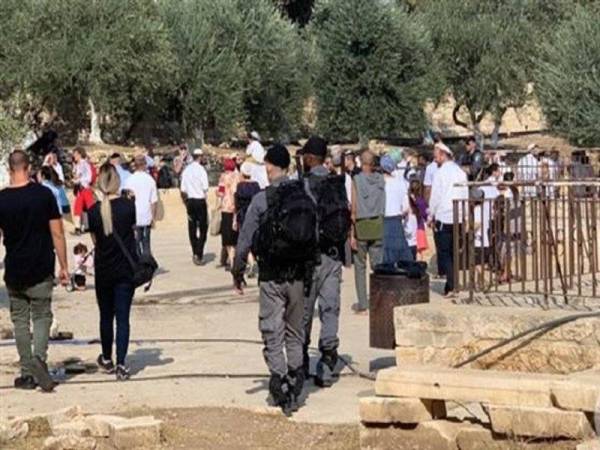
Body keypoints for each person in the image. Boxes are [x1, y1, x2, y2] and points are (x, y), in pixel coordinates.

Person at [232, 144, 318, 414]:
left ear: (269, 166)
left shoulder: (261, 199)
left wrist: (237, 270)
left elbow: (245, 238)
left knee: (272, 329)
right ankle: (296, 377)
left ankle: (278, 378)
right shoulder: (304, 195)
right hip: (299, 276)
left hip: (271, 275)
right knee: (295, 331)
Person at [0, 150, 69, 391]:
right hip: (41, 267)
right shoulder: (44, 195)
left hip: (15, 268)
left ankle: (26, 372)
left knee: (19, 320)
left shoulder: (2, 199)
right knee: (41, 316)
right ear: (28, 168)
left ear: (10, 170)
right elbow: (57, 232)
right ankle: (39, 358)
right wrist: (64, 266)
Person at [300, 136, 351, 387]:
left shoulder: (303, 185)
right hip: (333, 256)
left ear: (310, 158)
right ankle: (328, 363)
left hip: (309, 258)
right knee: (330, 309)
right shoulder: (337, 183)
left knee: (305, 311)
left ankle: (299, 364)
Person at [88, 164, 137, 381]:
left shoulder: (93, 212)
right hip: (124, 270)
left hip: (104, 269)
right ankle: (122, 363)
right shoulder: (128, 207)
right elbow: (133, 234)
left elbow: (96, 242)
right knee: (123, 318)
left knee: (106, 316)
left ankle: (106, 358)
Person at [429, 143, 468, 297]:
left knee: (444, 253)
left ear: (443, 154)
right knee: (453, 252)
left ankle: (452, 285)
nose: (434, 157)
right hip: (457, 216)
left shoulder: (440, 173)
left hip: (444, 217)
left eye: (436, 154)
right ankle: (451, 284)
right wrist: (464, 215)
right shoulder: (460, 172)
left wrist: (431, 214)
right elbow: (465, 194)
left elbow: (436, 196)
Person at [351, 150, 385, 314]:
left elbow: (354, 208)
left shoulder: (356, 180)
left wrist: (352, 233)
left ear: (361, 163)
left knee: (360, 266)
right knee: (377, 266)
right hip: (377, 224)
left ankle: (363, 304)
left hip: (362, 225)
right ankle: (378, 300)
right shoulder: (380, 179)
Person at [380, 154, 413, 264]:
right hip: (397, 220)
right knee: (400, 251)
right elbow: (406, 207)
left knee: (386, 254)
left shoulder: (380, 184)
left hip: (383, 220)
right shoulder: (401, 183)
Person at [124, 155, 158, 258]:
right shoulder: (150, 180)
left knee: (136, 242)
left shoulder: (129, 180)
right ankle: (147, 262)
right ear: (145, 165)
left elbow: (126, 198)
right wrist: (153, 218)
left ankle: (139, 264)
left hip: (134, 215)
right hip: (146, 215)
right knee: (146, 241)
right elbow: (153, 201)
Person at [181, 148, 210, 265]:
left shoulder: (186, 170)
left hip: (190, 201)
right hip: (200, 200)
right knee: (203, 228)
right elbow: (205, 187)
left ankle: (195, 251)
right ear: (200, 157)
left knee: (192, 227)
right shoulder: (201, 170)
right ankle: (199, 252)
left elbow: (183, 189)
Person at [234, 162, 261, 278]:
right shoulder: (256, 186)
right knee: (254, 238)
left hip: (243, 215)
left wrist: (235, 218)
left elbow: (237, 203)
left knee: (245, 239)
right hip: (255, 214)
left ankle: (251, 261)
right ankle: (254, 260)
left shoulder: (240, 186)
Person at [217, 158, 240, 270]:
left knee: (227, 238)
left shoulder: (223, 177)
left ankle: (231, 261)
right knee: (234, 236)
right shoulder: (238, 176)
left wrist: (217, 194)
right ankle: (234, 258)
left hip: (226, 208)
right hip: (236, 208)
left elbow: (221, 193)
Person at [72, 147, 95, 234]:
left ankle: (88, 225)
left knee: (89, 207)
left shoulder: (85, 164)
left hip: (84, 187)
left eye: (75, 154)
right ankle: (79, 227)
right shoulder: (77, 165)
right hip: (80, 188)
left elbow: (88, 176)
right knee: (78, 207)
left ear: (80, 154)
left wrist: (80, 181)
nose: (74, 156)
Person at [408, 179, 428, 261]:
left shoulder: (408, 199)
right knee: (420, 252)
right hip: (419, 227)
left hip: (409, 227)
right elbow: (425, 214)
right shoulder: (421, 201)